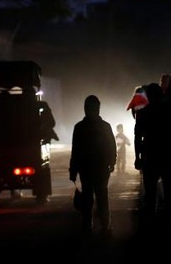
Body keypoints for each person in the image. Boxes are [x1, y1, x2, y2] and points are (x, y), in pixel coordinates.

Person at [133, 82, 171, 220]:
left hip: (150, 154)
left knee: (150, 192)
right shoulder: (170, 111)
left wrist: (137, 157)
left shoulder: (142, 113)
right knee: (168, 192)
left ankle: (151, 221)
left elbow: (138, 136)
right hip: (168, 154)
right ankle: (168, 219)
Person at [69, 94, 117, 236]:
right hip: (101, 167)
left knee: (87, 196)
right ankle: (105, 224)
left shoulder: (79, 127)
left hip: (86, 168)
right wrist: (112, 162)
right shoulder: (105, 127)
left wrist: (73, 170)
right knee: (102, 195)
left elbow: (75, 150)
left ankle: (87, 223)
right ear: (98, 109)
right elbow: (111, 146)